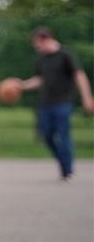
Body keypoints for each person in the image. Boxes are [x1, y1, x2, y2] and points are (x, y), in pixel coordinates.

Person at [15, 26, 94, 181]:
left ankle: (67, 169)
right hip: (45, 104)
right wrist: (22, 85)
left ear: (46, 39)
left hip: (63, 103)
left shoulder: (65, 55)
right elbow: (40, 79)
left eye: (38, 43)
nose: (37, 47)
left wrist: (87, 97)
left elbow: (79, 75)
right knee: (47, 135)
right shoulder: (42, 59)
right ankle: (63, 162)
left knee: (63, 135)